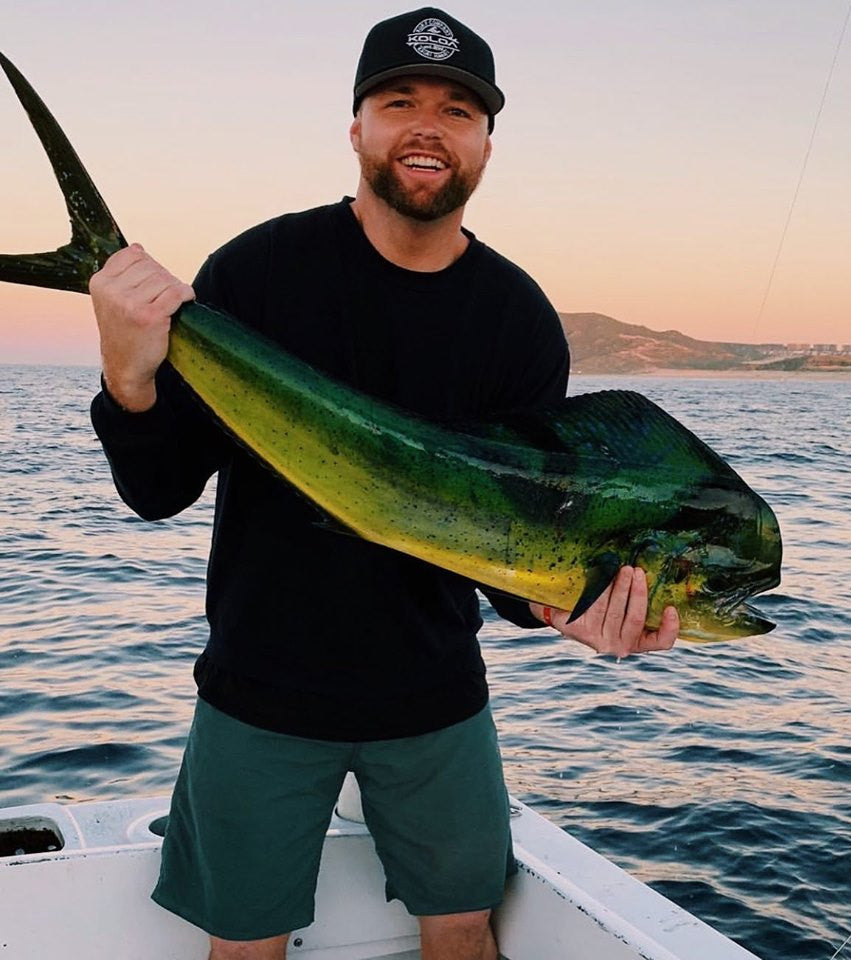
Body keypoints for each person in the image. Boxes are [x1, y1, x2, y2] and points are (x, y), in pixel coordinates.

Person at [88, 8, 679, 960]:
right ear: (356, 127)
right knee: (244, 944)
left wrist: (559, 608)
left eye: (457, 110)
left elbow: (511, 538)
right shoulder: (255, 272)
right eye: (399, 101)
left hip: (434, 696)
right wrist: (128, 377)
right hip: (260, 691)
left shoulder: (518, 320)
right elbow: (158, 490)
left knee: (464, 928)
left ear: (486, 143)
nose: (426, 127)